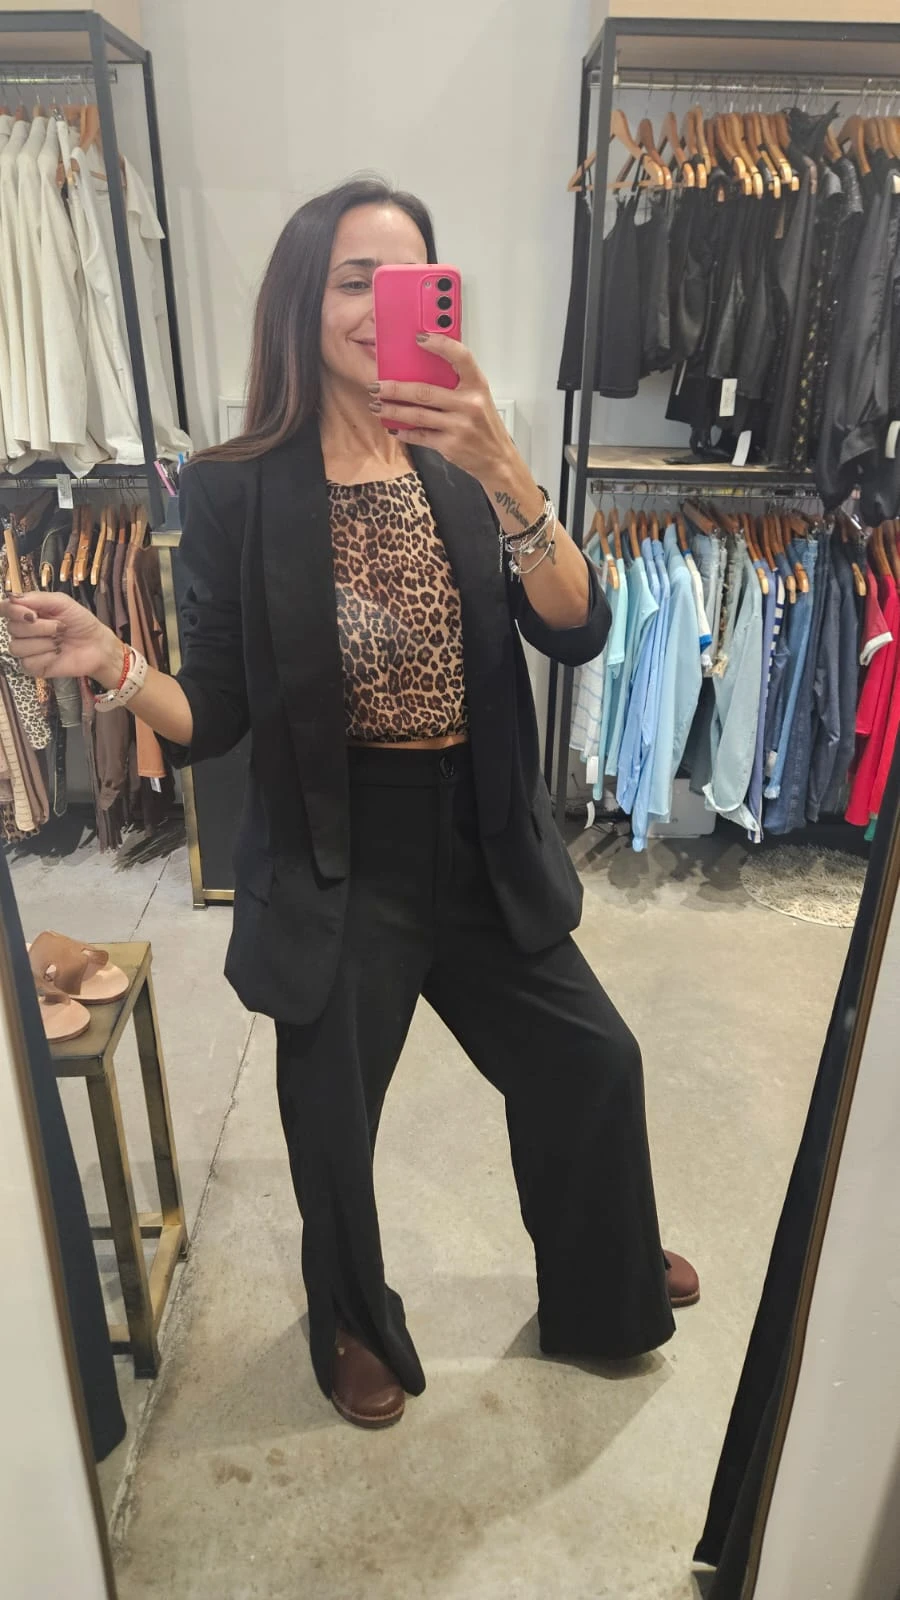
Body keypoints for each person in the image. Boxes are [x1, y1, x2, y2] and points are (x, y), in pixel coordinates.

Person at [1, 178, 697, 1430]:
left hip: (478, 833)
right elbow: (217, 713)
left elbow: (579, 628)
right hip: (340, 849)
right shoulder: (234, 487)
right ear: (301, 300)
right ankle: (353, 1320)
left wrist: (506, 470)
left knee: (594, 1058)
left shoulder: (462, 455)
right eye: (352, 282)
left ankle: (608, 1261)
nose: (381, 310)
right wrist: (114, 660)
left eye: (406, 281)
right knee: (331, 1123)